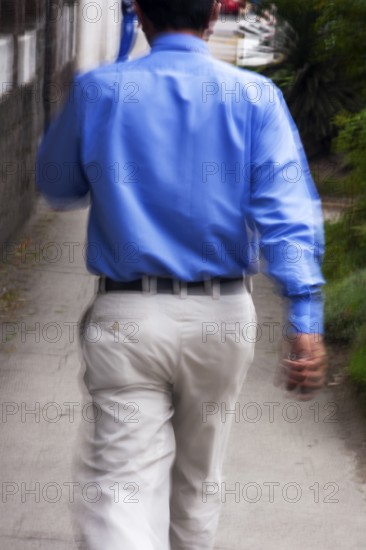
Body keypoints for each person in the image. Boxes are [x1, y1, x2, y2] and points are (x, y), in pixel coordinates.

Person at [36, 0, 328, 548]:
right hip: (222, 317)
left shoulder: (99, 90)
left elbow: (58, 184)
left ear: (140, 15)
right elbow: (286, 218)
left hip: (128, 318)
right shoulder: (255, 97)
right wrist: (305, 319)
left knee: (121, 486)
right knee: (199, 483)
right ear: (213, 18)